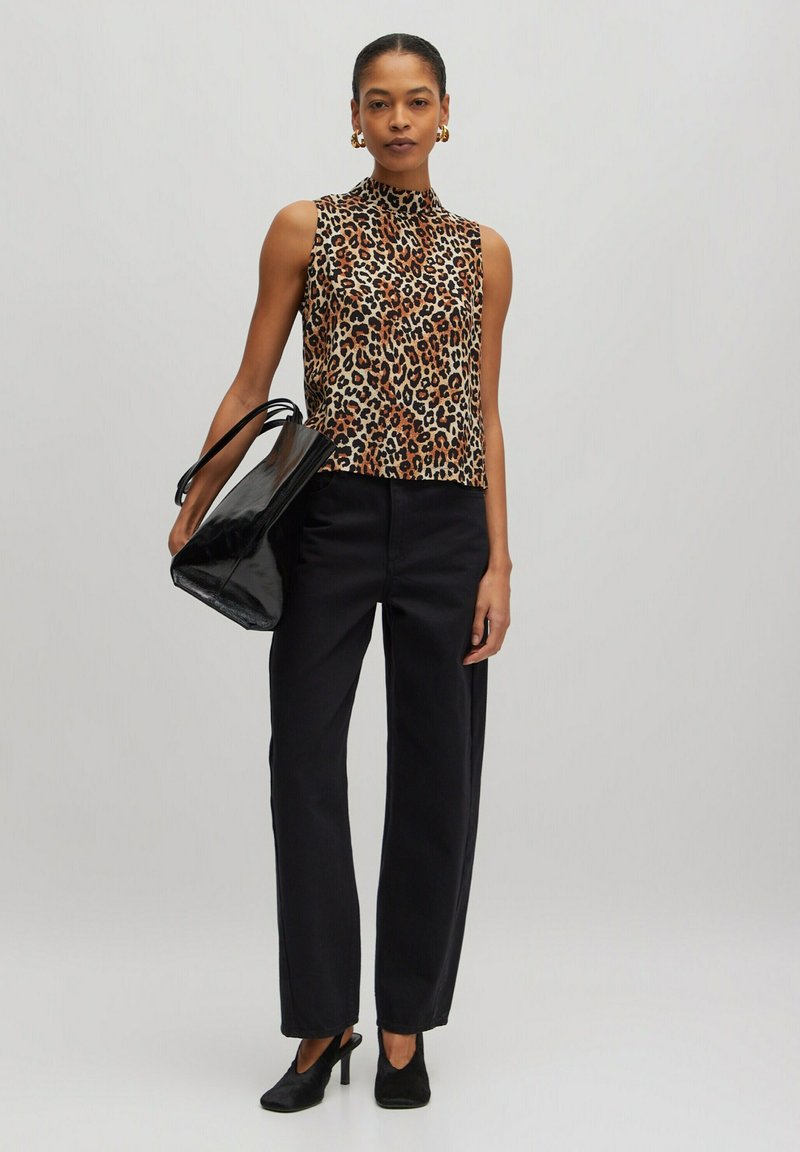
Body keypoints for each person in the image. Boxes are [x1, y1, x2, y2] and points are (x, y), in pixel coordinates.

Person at [168, 32, 513, 1112]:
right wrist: (198, 497)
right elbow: (252, 381)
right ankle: (325, 1022)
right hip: (333, 517)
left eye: (417, 101)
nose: (398, 119)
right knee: (304, 761)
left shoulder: (484, 253)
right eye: (378, 101)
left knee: (438, 774)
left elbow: (484, 413)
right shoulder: (304, 229)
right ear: (354, 119)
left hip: (449, 527)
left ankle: (405, 1022)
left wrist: (499, 560)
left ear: (446, 114)